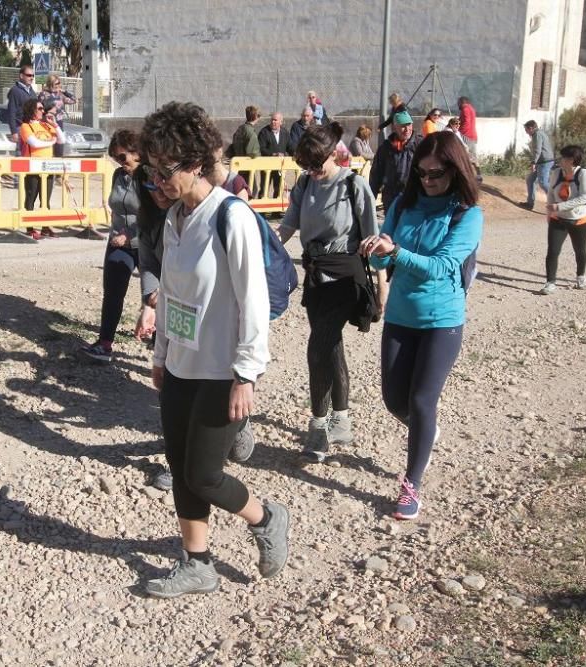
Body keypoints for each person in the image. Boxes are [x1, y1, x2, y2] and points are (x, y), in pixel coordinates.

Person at [140, 101, 289, 598]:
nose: (158, 180)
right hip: (180, 364)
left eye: (167, 170)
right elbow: (172, 295)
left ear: (198, 163)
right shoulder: (174, 219)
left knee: (204, 476)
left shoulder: (232, 215)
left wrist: (246, 373)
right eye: (152, 169)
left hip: (222, 370)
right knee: (181, 469)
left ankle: (267, 517)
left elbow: (254, 300)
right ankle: (198, 562)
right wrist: (161, 355)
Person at [359, 132, 483, 520]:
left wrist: (396, 251)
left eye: (437, 174)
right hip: (400, 316)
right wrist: (377, 251)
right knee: (395, 399)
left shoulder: (466, 213)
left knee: (420, 400)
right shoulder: (403, 203)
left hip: (441, 322)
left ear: (455, 169)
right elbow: (385, 263)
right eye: (422, 173)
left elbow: (443, 266)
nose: (428, 181)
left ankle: (412, 484)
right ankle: (425, 432)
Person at [279, 123, 387, 461]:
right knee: (331, 346)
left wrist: (383, 287)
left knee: (318, 347)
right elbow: (286, 228)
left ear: (332, 154)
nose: (312, 171)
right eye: (306, 166)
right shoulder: (304, 185)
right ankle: (341, 420)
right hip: (314, 273)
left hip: (345, 274)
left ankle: (318, 426)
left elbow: (374, 239)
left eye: (316, 164)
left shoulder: (354, 186)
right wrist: (261, 252)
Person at [80, 130, 144, 363]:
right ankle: (105, 343)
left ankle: (160, 346)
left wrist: (131, 237)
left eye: (123, 157)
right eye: (116, 158)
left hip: (146, 245)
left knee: (156, 297)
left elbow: (155, 219)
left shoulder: (151, 178)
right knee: (113, 293)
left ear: (137, 152)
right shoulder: (118, 175)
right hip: (118, 242)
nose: (120, 162)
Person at [539, 144, 586, 295]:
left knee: (580, 250)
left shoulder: (583, 174)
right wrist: (550, 211)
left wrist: (560, 206)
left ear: (571, 160)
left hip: (580, 220)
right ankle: (550, 282)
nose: (560, 160)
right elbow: (550, 192)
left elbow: (584, 197)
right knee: (553, 251)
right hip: (558, 219)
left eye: (563, 157)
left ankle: (581, 276)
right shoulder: (556, 173)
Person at [19, 97, 65, 240]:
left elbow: (62, 140)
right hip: (33, 167)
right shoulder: (25, 126)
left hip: (48, 167)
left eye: (42, 108)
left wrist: (55, 126)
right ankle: (30, 228)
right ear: (31, 110)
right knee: (31, 197)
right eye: (39, 108)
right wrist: (50, 142)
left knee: (46, 199)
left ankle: (46, 227)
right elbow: (34, 143)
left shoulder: (46, 125)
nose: (42, 111)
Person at [369, 110, 422, 213]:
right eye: (403, 126)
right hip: (392, 200)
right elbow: (376, 175)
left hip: (416, 199)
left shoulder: (420, 145)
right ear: (394, 127)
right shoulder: (386, 148)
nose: (407, 129)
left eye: (409, 125)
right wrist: (370, 199)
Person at [38, 74, 77, 158]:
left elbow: (74, 100)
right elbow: (39, 108)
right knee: (48, 150)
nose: (58, 85)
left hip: (59, 125)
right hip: (47, 125)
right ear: (50, 84)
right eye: (56, 83)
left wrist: (64, 91)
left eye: (59, 83)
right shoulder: (43, 94)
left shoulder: (60, 95)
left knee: (59, 151)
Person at [521, 120, 555, 211]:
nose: (526, 131)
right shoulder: (538, 134)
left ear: (531, 128)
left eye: (526, 129)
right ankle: (529, 204)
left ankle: (556, 202)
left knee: (543, 183)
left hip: (545, 162)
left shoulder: (537, 135)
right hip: (542, 161)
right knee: (530, 180)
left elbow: (538, 150)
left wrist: (533, 163)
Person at [231, 105, 261, 196]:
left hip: (239, 165)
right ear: (256, 117)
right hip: (247, 166)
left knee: (239, 189)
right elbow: (253, 152)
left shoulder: (240, 128)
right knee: (252, 190)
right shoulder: (251, 133)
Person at [259, 112, 289, 199]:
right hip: (266, 166)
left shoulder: (285, 133)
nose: (273, 122)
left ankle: (276, 212)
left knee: (278, 188)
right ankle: (263, 211)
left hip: (279, 166)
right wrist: (273, 154)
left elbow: (290, 146)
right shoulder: (264, 132)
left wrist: (296, 153)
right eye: (272, 120)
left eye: (275, 120)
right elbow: (261, 148)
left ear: (281, 122)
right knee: (264, 188)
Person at [457, 96, 481, 182]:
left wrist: (458, 132)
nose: (458, 104)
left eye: (458, 102)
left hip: (466, 136)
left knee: (464, 156)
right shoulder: (471, 109)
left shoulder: (465, 109)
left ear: (462, 102)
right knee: (473, 156)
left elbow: (466, 122)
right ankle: (478, 175)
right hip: (473, 136)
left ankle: (467, 176)